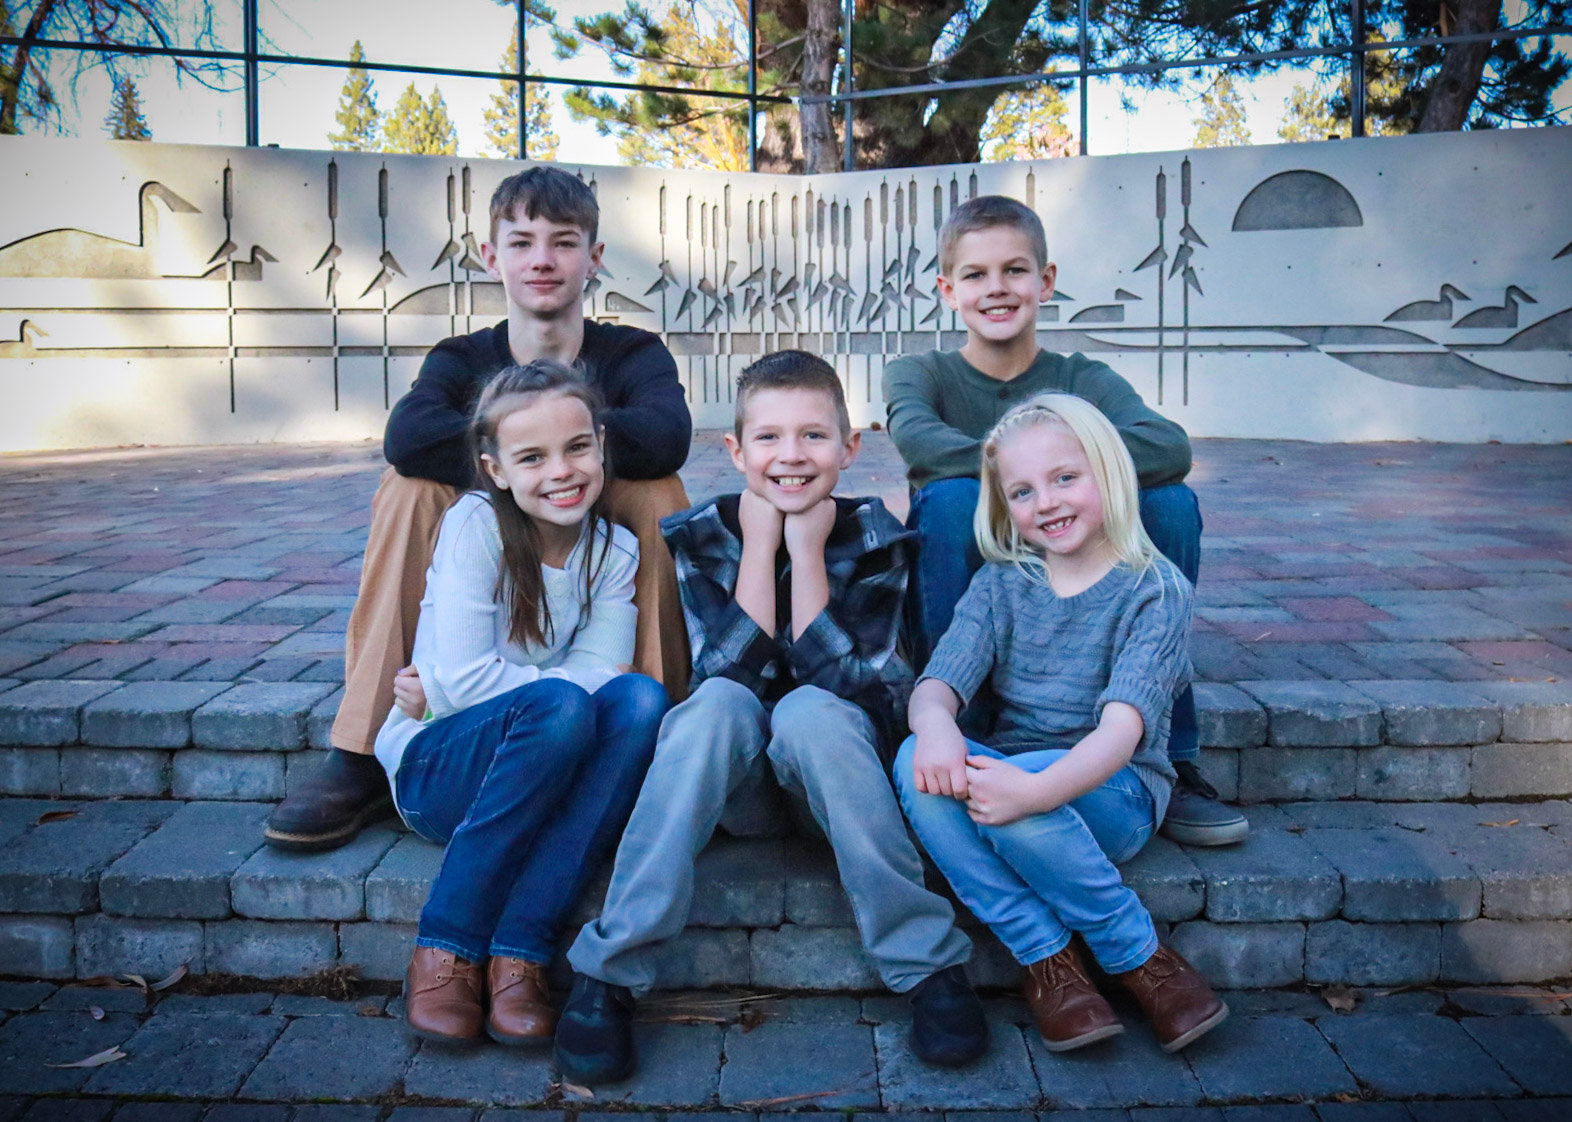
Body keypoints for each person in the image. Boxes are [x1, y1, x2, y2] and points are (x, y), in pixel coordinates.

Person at [554, 350, 986, 1085]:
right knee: (715, 704)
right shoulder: (703, 536)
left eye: (815, 436)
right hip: (739, 792)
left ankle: (926, 965)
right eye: (770, 438)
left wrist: (808, 553)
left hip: (840, 788)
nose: (792, 456)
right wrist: (760, 545)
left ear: (851, 448)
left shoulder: (878, 539)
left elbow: (862, 694)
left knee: (814, 710)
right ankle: (611, 972)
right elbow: (728, 675)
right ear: (736, 450)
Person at [265, 166, 692, 852]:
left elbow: (665, 435)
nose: (543, 260)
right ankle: (362, 748)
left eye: (564, 241)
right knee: (410, 489)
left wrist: (552, 458)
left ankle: (646, 732)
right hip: (499, 511)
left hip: (592, 503)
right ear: (492, 257)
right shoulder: (462, 358)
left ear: (594, 258)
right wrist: (520, 470)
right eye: (521, 242)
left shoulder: (632, 352)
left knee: (657, 492)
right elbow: (407, 438)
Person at [882, 193, 1246, 848]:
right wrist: (1032, 475)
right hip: (974, 596)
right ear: (947, 289)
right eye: (975, 274)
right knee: (952, 497)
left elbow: (1168, 447)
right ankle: (965, 731)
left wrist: (1064, 472)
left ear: (1045, 282)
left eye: (1015, 270)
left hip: (1086, 587)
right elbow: (923, 445)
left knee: (1168, 502)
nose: (997, 288)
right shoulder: (921, 372)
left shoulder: (1081, 377)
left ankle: (1171, 746)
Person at [894, 392, 1228, 1056]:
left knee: (1013, 788)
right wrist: (935, 726)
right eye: (1022, 491)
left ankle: (1138, 956)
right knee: (913, 762)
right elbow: (938, 684)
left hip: (1116, 791)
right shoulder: (1002, 583)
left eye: (1064, 478)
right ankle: (1048, 958)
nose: (1045, 502)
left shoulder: (1154, 590)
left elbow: (1120, 733)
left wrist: (1036, 792)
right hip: (1018, 778)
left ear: (1106, 472)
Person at [379, 360, 667, 1047]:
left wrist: (562, 694)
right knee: (565, 705)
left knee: (641, 700)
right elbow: (454, 683)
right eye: (532, 457)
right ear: (498, 469)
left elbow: (607, 672)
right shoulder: (475, 522)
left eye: (576, 448)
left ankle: (520, 951)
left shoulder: (614, 551)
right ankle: (446, 944)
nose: (561, 470)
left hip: (550, 752)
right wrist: (558, 692)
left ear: (601, 444)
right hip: (440, 765)